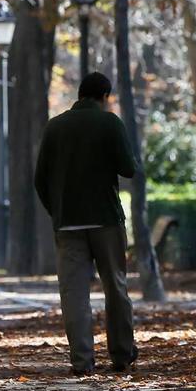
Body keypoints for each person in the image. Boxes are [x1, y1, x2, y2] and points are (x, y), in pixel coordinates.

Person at [34, 71, 138, 375]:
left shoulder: (55, 127)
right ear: (104, 96)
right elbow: (128, 169)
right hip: (106, 219)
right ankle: (121, 354)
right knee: (115, 286)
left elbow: (40, 179)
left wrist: (57, 212)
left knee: (74, 294)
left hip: (68, 223)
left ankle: (82, 360)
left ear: (80, 94)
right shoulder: (110, 123)